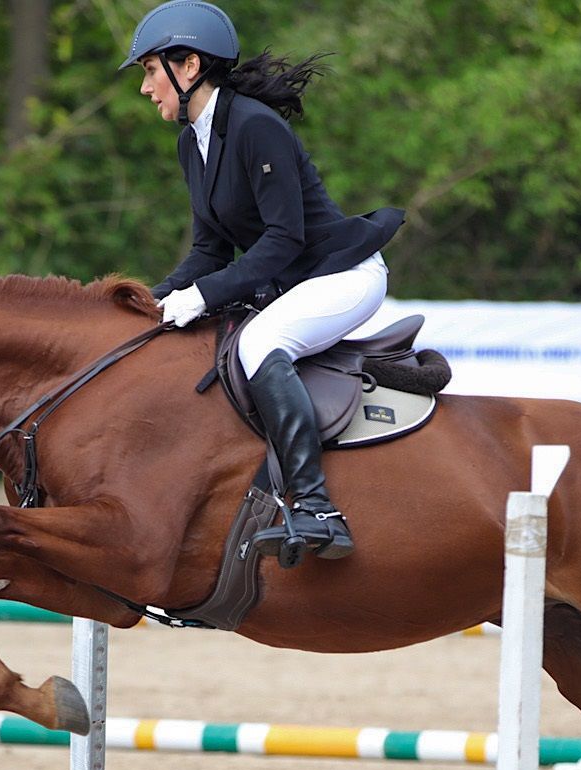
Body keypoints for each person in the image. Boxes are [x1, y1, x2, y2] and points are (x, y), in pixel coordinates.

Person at [120, 0, 404, 567]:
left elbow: (283, 240)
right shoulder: (191, 143)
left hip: (343, 275)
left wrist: (200, 297)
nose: (147, 87)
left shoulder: (254, 125)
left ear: (189, 65)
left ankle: (316, 507)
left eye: (151, 71)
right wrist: (150, 301)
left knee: (258, 345)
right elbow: (209, 250)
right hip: (296, 280)